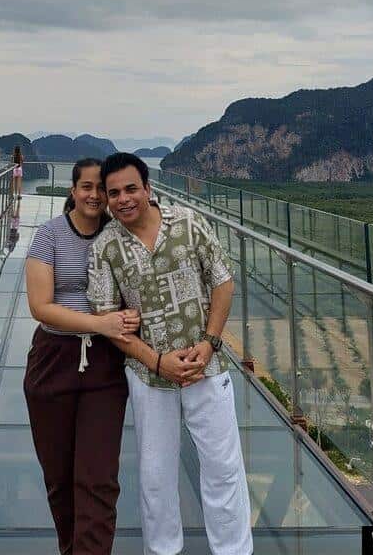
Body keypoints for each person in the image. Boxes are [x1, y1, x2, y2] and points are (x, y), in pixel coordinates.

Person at [87, 152, 252, 555]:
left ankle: (234, 550)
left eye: (130, 189)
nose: (123, 199)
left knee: (223, 468)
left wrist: (210, 342)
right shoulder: (106, 247)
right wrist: (156, 361)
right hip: (149, 376)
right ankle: (162, 550)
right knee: (156, 476)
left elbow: (222, 282)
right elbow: (108, 318)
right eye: (114, 193)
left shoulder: (189, 223)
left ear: (148, 188)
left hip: (206, 366)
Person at [24, 157, 141, 555]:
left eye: (100, 189)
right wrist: (99, 323)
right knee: (59, 477)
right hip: (53, 360)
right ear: (73, 191)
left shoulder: (120, 236)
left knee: (98, 478)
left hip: (105, 367)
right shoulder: (49, 235)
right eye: (86, 187)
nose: (94, 195)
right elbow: (40, 306)